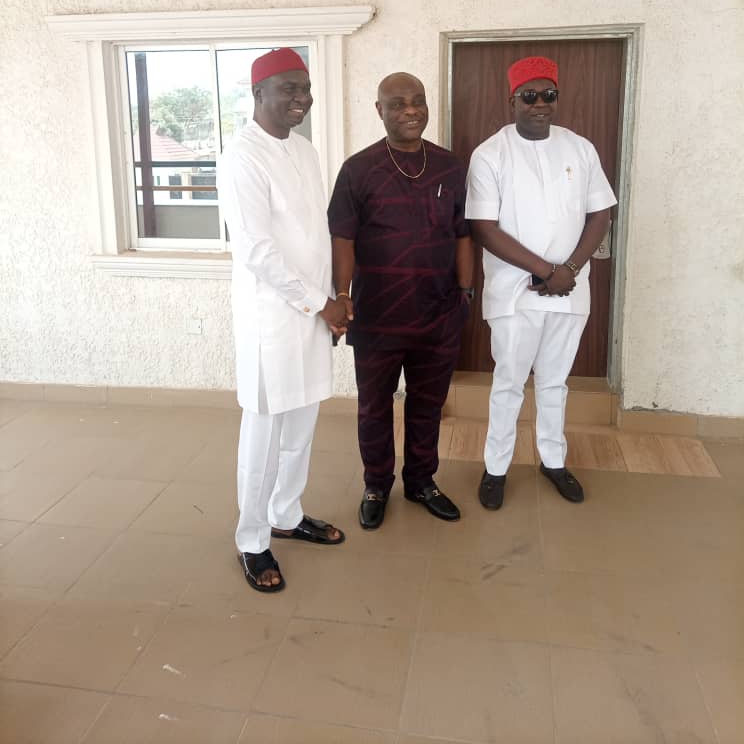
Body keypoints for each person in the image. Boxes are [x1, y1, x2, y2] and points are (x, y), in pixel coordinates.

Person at [217, 48, 349, 593]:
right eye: (288, 88)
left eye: (306, 88)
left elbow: (315, 235)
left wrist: (334, 299)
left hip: (314, 312)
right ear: (258, 94)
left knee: (303, 421)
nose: (301, 98)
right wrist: (320, 303)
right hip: (272, 318)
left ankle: (287, 515)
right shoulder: (241, 157)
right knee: (265, 431)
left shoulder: (305, 150)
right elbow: (256, 250)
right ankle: (252, 539)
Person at [466, 56, 617, 509]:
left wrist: (568, 269)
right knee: (509, 383)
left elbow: (600, 213)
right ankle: (496, 468)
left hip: (569, 291)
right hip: (516, 293)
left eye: (548, 95)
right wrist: (547, 271)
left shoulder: (580, 148)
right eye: (529, 96)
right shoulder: (490, 154)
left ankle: (553, 460)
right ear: (511, 100)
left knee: (555, 382)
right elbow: (484, 228)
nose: (540, 104)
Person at [328, 72, 474, 529]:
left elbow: (463, 233)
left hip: (439, 312)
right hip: (377, 316)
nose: (410, 110)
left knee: (427, 405)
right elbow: (342, 238)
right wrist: (342, 295)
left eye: (417, 101)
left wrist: (466, 291)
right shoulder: (357, 170)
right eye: (397, 104)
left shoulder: (450, 167)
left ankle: (421, 481)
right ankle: (376, 484)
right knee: (374, 407)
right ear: (380, 111)